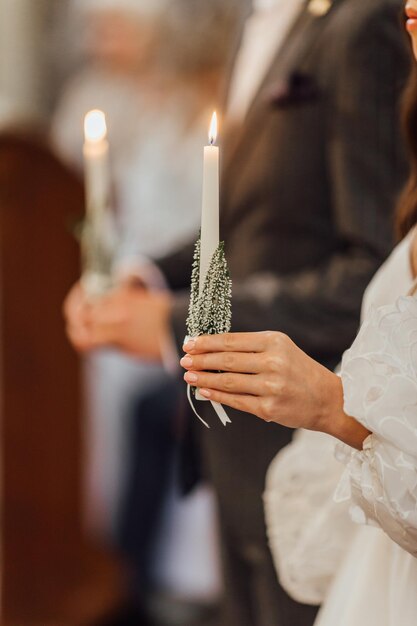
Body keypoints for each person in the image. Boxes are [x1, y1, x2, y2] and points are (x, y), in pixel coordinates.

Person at [64, 1, 409, 624]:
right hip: (232, 440)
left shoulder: (366, 25)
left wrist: (179, 322)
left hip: (318, 451)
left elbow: (374, 271)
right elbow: (241, 220)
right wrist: (143, 278)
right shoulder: (262, 24)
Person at [179, 3, 417, 624]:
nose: (408, 8)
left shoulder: (363, 26)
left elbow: (355, 269)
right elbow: (238, 217)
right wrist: (154, 286)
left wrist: (333, 407)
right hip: (353, 531)